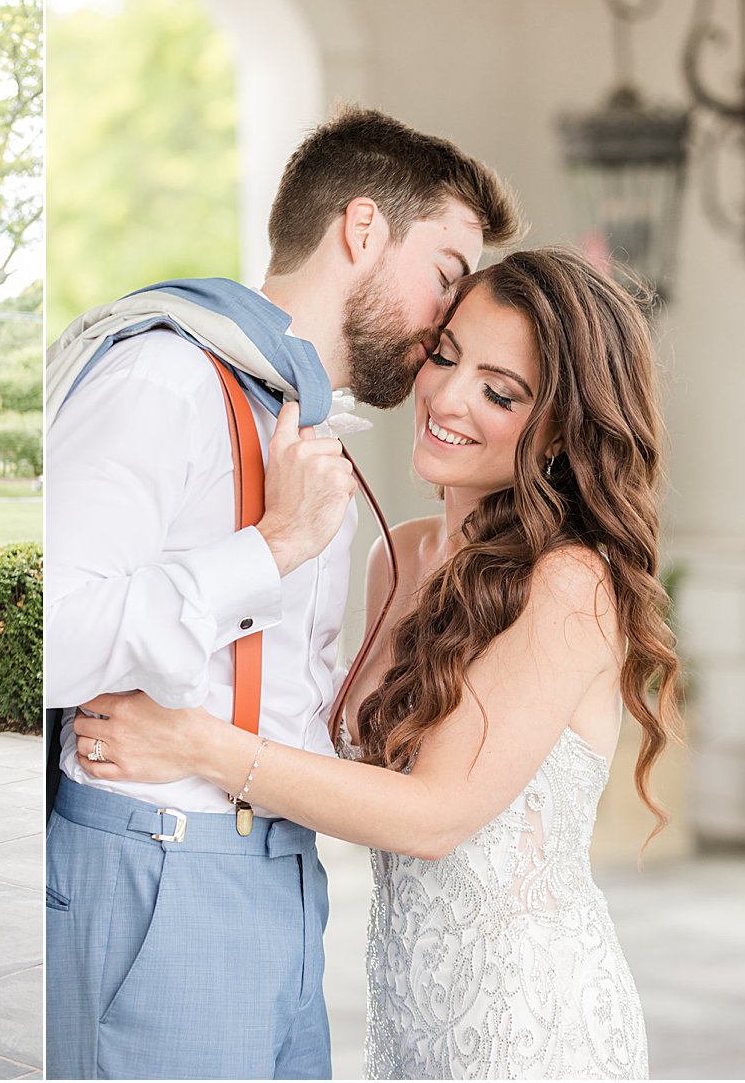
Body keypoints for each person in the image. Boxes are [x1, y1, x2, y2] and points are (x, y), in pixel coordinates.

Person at [73, 247, 681, 1080]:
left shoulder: (569, 583)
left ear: (562, 434)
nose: (448, 398)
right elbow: (331, 762)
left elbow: (432, 816)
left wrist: (196, 744)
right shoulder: (399, 557)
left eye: (501, 393)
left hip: (529, 1024)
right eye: (447, 355)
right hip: (409, 1011)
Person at [44, 107, 522, 1080]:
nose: (448, 320)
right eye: (442, 274)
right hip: (158, 868)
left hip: (276, 874)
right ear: (359, 231)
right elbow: (52, 635)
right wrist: (267, 549)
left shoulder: (307, 427)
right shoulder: (161, 377)